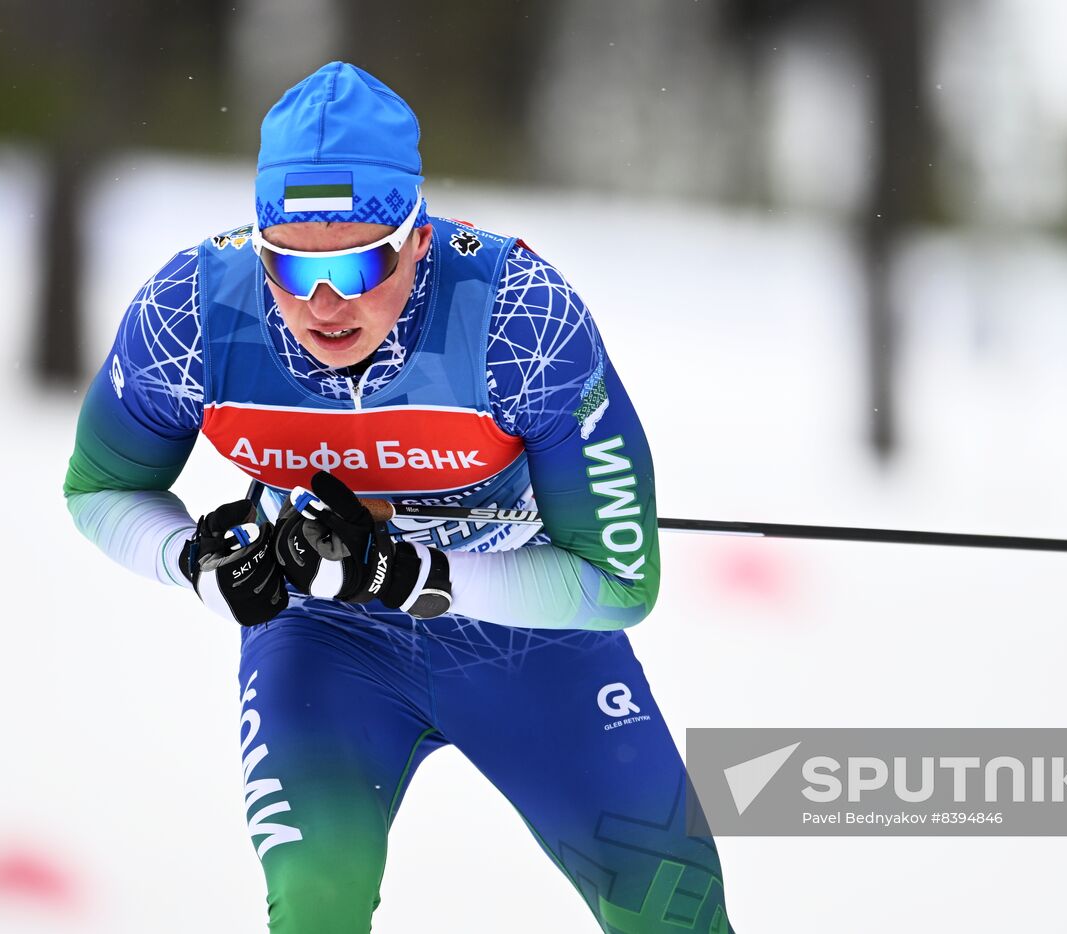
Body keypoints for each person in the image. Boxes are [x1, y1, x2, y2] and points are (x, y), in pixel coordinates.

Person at [64, 61, 732, 933]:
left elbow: (619, 583)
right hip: (327, 639)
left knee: (674, 912)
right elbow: (100, 489)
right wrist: (193, 561)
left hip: (531, 640)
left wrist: (419, 574)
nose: (326, 304)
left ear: (419, 239)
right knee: (316, 903)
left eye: (359, 262)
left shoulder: (518, 316)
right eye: (292, 269)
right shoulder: (191, 311)